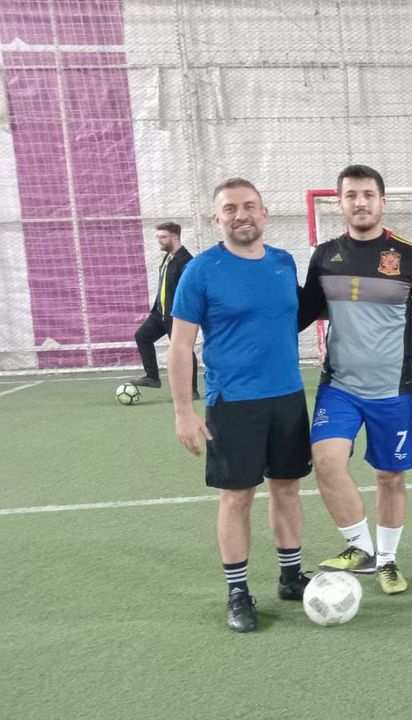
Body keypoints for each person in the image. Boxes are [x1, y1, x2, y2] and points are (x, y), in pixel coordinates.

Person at [168, 178, 312, 632]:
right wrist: (183, 411)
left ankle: (290, 577)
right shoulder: (201, 271)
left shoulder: (283, 262)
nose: (241, 214)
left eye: (249, 206)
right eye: (230, 208)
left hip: (287, 396)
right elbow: (179, 346)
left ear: (264, 213)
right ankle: (237, 591)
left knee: (286, 488)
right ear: (217, 219)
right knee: (237, 497)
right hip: (233, 403)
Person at [297, 164, 412, 595]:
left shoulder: (410, 256)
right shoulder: (324, 257)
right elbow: (301, 315)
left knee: (389, 477)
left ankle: (387, 560)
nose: (359, 202)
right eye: (351, 195)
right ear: (340, 203)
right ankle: (360, 547)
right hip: (339, 387)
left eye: (367, 195)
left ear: (382, 202)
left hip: (392, 391)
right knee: (326, 461)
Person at [133, 222, 199, 398]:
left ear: (175, 237)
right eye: (158, 237)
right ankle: (152, 377)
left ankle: (191, 389)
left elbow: (188, 291)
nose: (159, 240)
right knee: (142, 336)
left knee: (183, 350)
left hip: (176, 315)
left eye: (163, 237)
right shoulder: (168, 258)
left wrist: (184, 314)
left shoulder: (186, 261)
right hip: (160, 313)